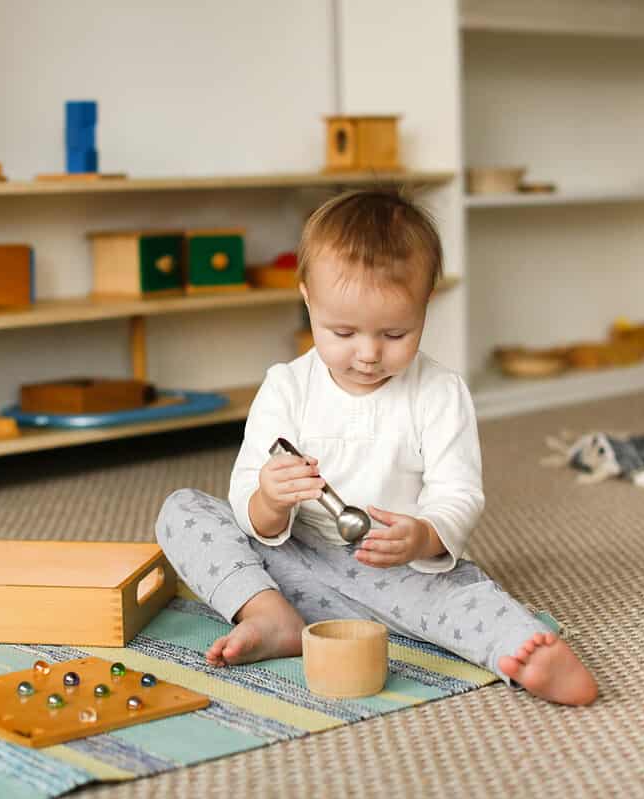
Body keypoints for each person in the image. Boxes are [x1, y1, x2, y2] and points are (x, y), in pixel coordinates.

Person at [155, 189, 597, 705]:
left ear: (425, 303)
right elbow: (248, 507)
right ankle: (268, 616)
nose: (367, 354)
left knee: (461, 601)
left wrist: (422, 536)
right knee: (183, 511)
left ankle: (522, 651)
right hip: (289, 563)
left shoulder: (439, 392)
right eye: (342, 331)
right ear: (307, 301)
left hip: (397, 572)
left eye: (394, 332)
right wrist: (270, 500)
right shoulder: (286, 387)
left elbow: (458, 493)